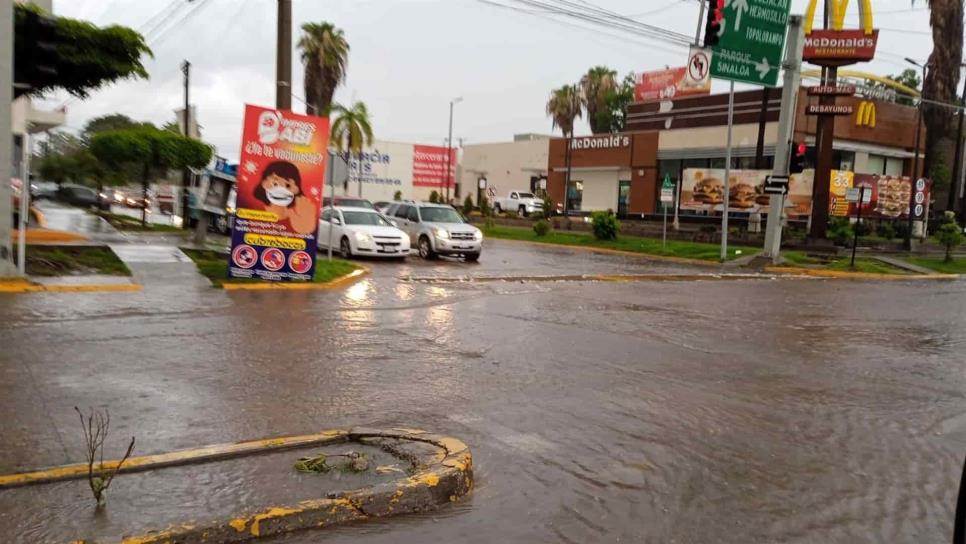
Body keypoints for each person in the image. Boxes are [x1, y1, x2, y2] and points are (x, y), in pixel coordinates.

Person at [252, 161, 317, 235]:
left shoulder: (297, 212)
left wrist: (305, 217)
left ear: (297, 189)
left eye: (288, 185)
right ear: (264, 183)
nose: (281, 189)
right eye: (275, 183)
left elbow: (306, 232)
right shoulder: (255, 208)